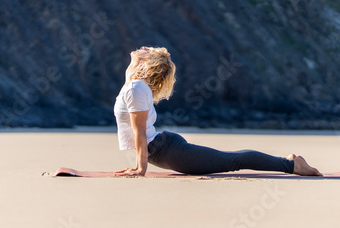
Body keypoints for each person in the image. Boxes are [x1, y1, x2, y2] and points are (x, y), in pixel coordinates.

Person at [113, 46, 322, 177]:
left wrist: (140, 169)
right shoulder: (134, 85)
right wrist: (137, 58)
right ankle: (289, 162)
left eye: (147, 50)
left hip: (165, 150)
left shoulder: (136, 88)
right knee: (230, 159)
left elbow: (139, 130)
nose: (143, 47)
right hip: (160, 149)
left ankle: (293, 165)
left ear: (148, 64)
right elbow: (130, 71)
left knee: (233, 160)